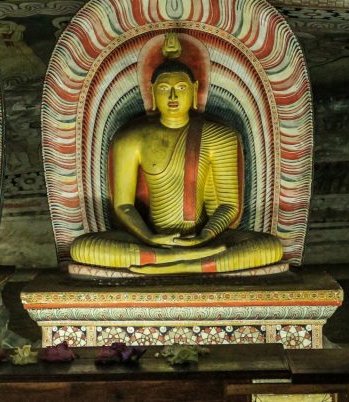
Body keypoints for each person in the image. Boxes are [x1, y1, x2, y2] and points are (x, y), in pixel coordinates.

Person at [69, 35, 283, 274]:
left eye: (180, 88)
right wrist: (150, 238)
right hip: (152, 239)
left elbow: (228, 205)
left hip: (206, 239)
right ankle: (191, 262)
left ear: (194, 90)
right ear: (152, 92)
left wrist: (204, 236)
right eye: (164, 89)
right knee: (83, 247)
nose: (173, 97)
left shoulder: (219, 136)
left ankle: (172, 262)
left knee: (270, 247)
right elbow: (123, 205)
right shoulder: (130, 138)